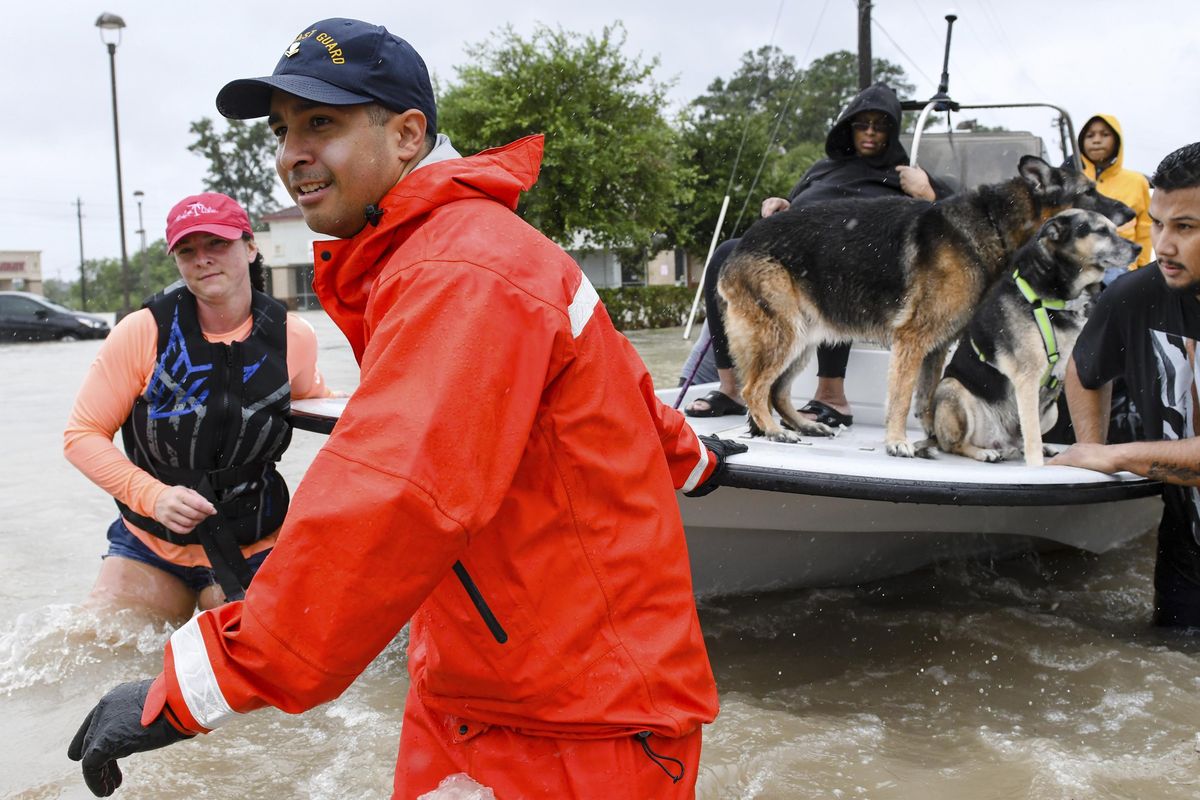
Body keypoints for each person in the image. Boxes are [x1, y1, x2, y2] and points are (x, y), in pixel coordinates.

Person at [67, 18, 742, 799]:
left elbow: (389, 497)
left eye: (322, 122)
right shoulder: (447, 255)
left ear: (409, 134)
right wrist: (693, 461)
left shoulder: (462, 269)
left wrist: (183, 694)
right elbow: (617, 384)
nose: (292, 153)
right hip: (481, 678)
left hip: (577, 715)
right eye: (284, 130)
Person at [63, 192, 332, 623]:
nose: (202, 259)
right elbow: (81, 436)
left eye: (217, 244)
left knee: (269, 665)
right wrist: (153, 495)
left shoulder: (291, 337)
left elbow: (316, 402)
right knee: (105, 651)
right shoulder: (142, 331)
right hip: (151, 542)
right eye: (188, 251)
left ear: (249, 246)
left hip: (255, 542)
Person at [684, 82, 951, 426]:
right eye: (862, 124)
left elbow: (953, 230)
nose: (870, 133)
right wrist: (783, 205)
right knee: (726, 253)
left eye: (880, 125)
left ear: (892, 130)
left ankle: (831, 396)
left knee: (837, 254)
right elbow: (800, 210)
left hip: (857, 269)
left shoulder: (907, 175)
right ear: (849, 126)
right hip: (797, 254)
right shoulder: (823, 168)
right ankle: (733, 390)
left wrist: (928, 192)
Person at [1049, 141, 1200, 627]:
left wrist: (1116, 455)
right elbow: (1085, 368)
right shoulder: (1137, 295)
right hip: (1186, 555)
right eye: (1158, 223)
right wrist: (1091, 450)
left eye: (1186, 228)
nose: (1164, 244)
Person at [1072, 114, 1154, 282]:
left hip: (1119, 262)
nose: (1096, 140)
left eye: (1104, 134)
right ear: (1080, 142)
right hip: (1077, 263)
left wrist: (1142, 268)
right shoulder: (1073, 180)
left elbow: (1145, 229)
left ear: (1117, 141)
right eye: (1090, 135)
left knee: (1115, 288)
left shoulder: (1137, 181)